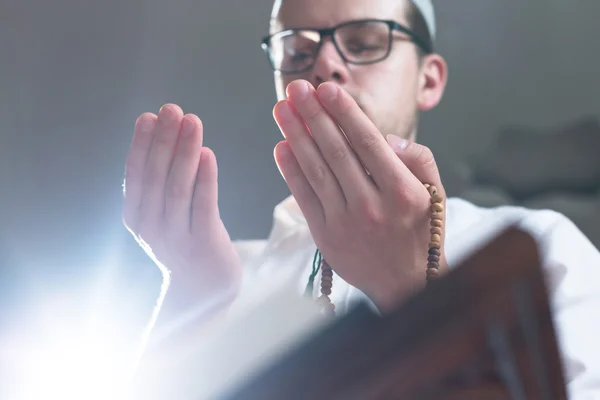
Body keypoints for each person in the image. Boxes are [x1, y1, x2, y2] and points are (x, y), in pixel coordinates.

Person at [122, 0, 600, 397]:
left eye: (366, 42)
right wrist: (191, 302)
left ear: (428, 79)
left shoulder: (536, 247)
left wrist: (418, 291)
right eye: (297, 48)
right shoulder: (231, 280)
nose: (325, 63)